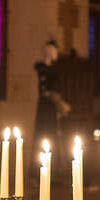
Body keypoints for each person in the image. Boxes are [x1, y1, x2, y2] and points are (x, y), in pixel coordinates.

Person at [33, 39, 70, 174]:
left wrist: (59, 105)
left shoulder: (54, 70)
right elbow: (45, 90)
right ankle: (41, 169)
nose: (56, 53)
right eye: (54, 50)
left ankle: (54, 169)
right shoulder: (42, 69)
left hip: (52, 108)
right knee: (44, 133)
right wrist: (57, 101)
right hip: (45, 108)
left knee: (53, 135)